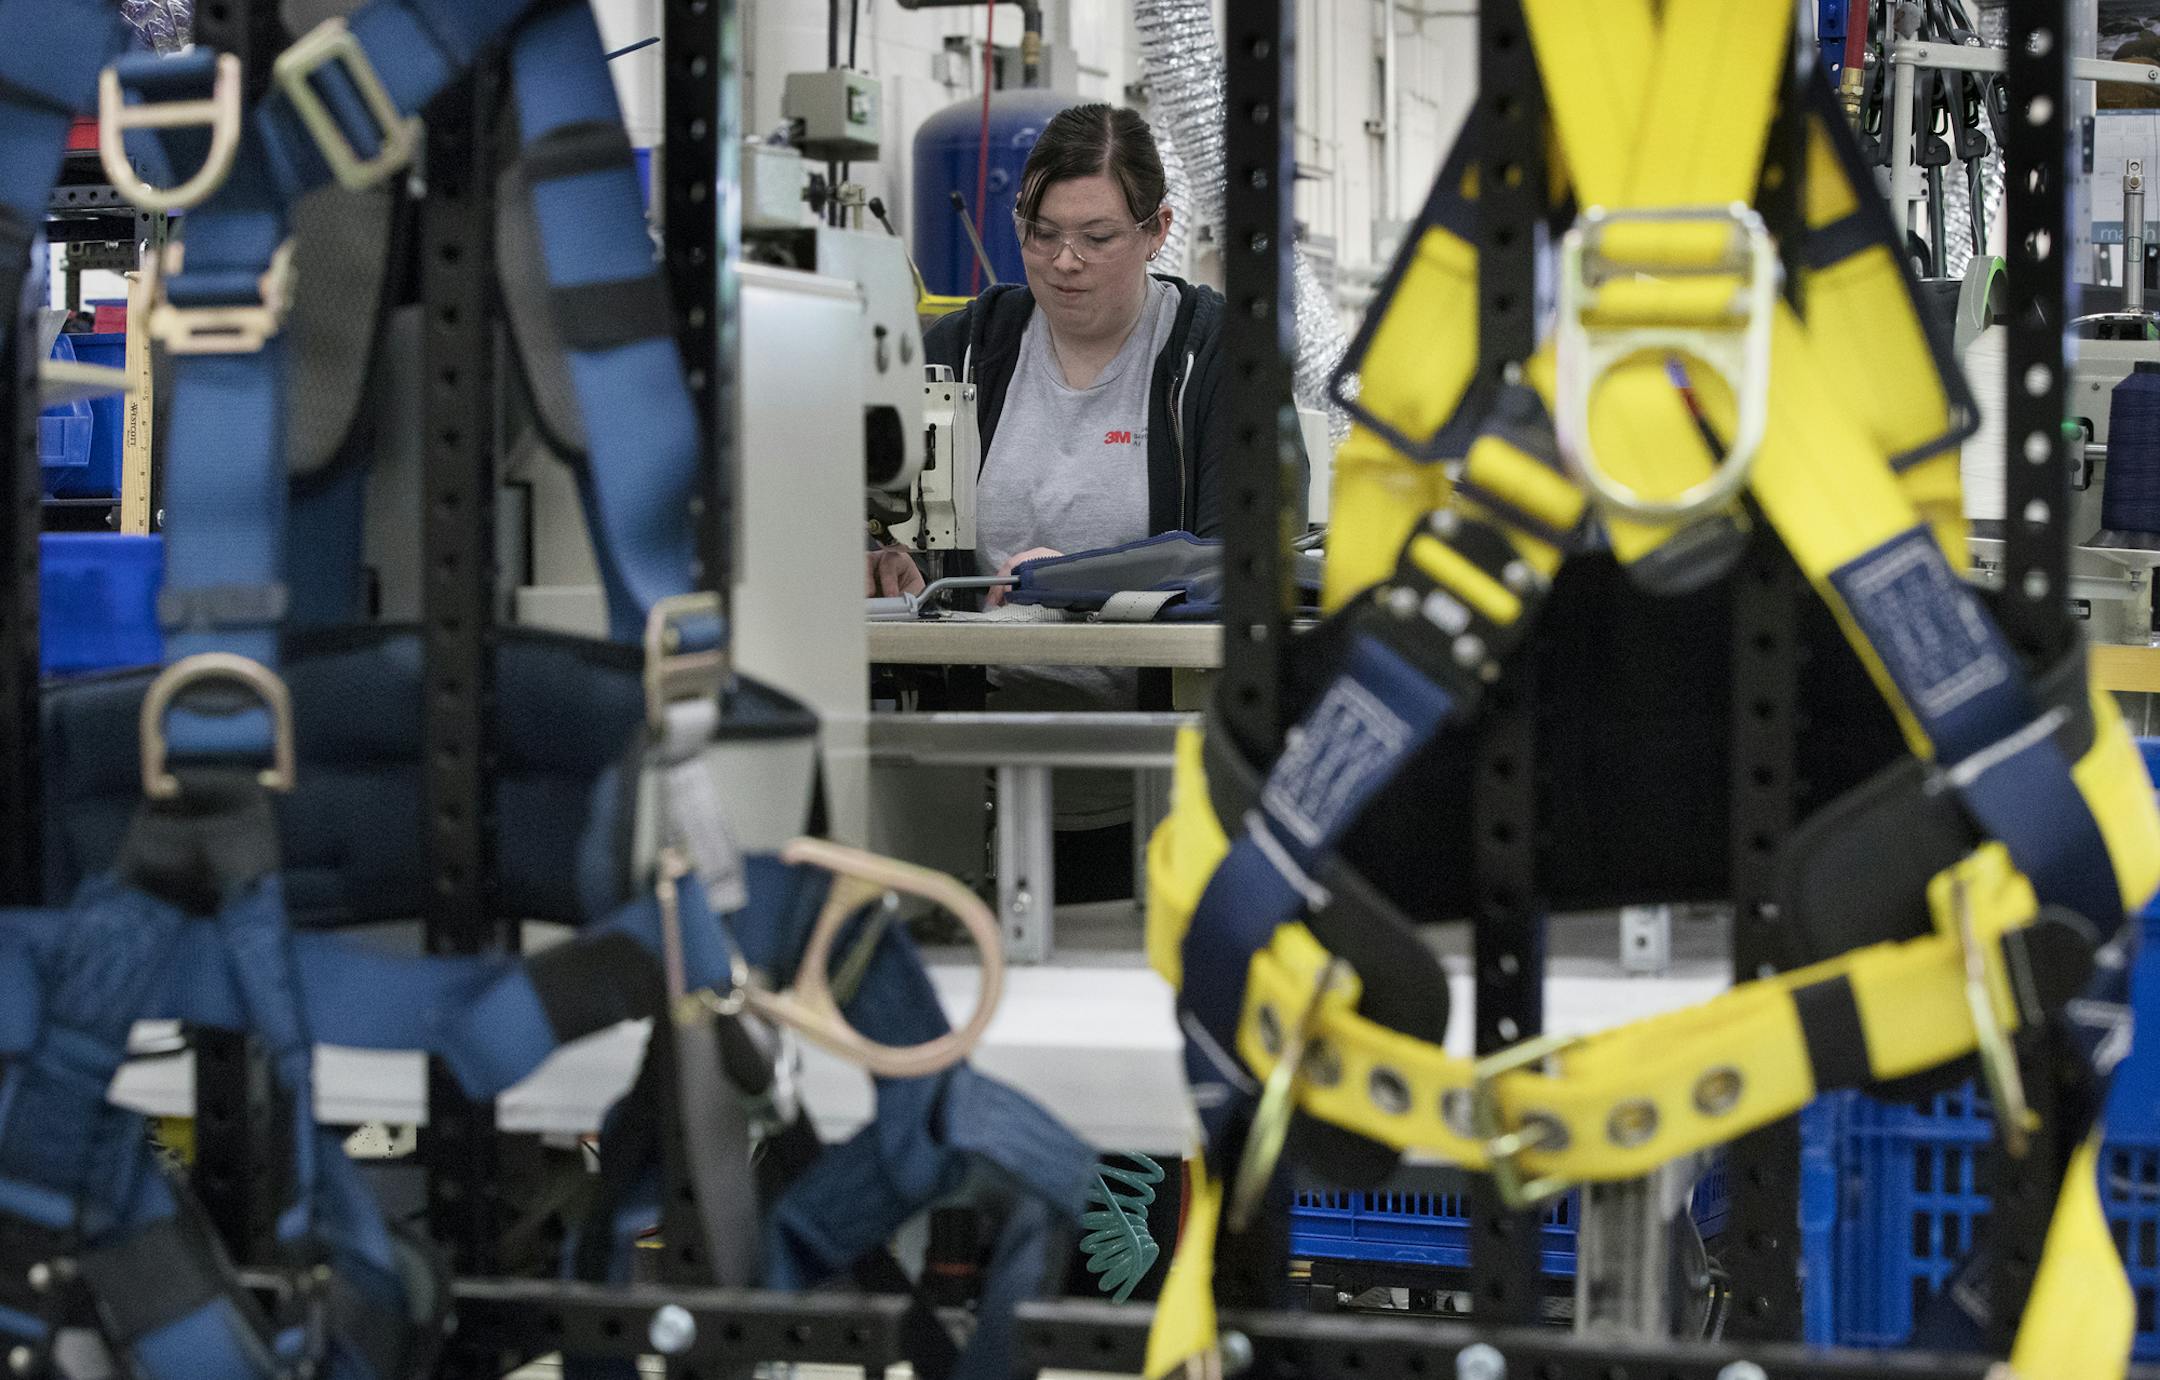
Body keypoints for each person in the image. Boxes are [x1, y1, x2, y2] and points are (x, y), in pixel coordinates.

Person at [908, 101, 1308, 898]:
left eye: (1096, 239)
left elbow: (1246, 563)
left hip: (1153, 794)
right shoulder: (967, 350)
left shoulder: (1219, 355)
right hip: (965, 788)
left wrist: (1085, 581)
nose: (1063, 262)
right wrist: (886, 550)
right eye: (1040, 232)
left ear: (1156, 231)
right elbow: (897, 510)